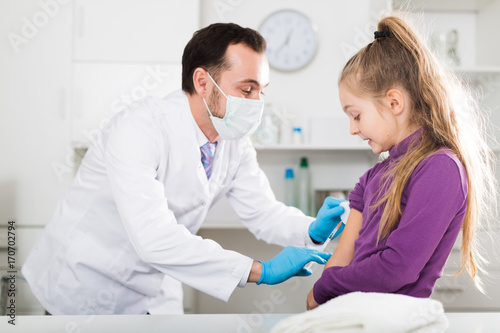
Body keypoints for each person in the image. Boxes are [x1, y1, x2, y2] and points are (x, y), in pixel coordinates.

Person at [22, 22, 347, 315]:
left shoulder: (232, 140)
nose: (256, 103)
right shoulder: (140, 128)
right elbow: (153, 237)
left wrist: (311, 230)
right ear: (203, 82)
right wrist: (260, 270)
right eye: (246, 90)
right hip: (87, 280)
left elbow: (262, 212)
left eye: (261, 91)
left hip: (154, 288)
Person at [307, 16, 497, 310]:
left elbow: (396, 269)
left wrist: (324, 289)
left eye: (356, 115)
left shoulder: (440, 169)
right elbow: (341, 259)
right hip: (350, 316)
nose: (352, 129)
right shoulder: (371, 178)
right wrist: (326, 293)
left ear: (394, 103)